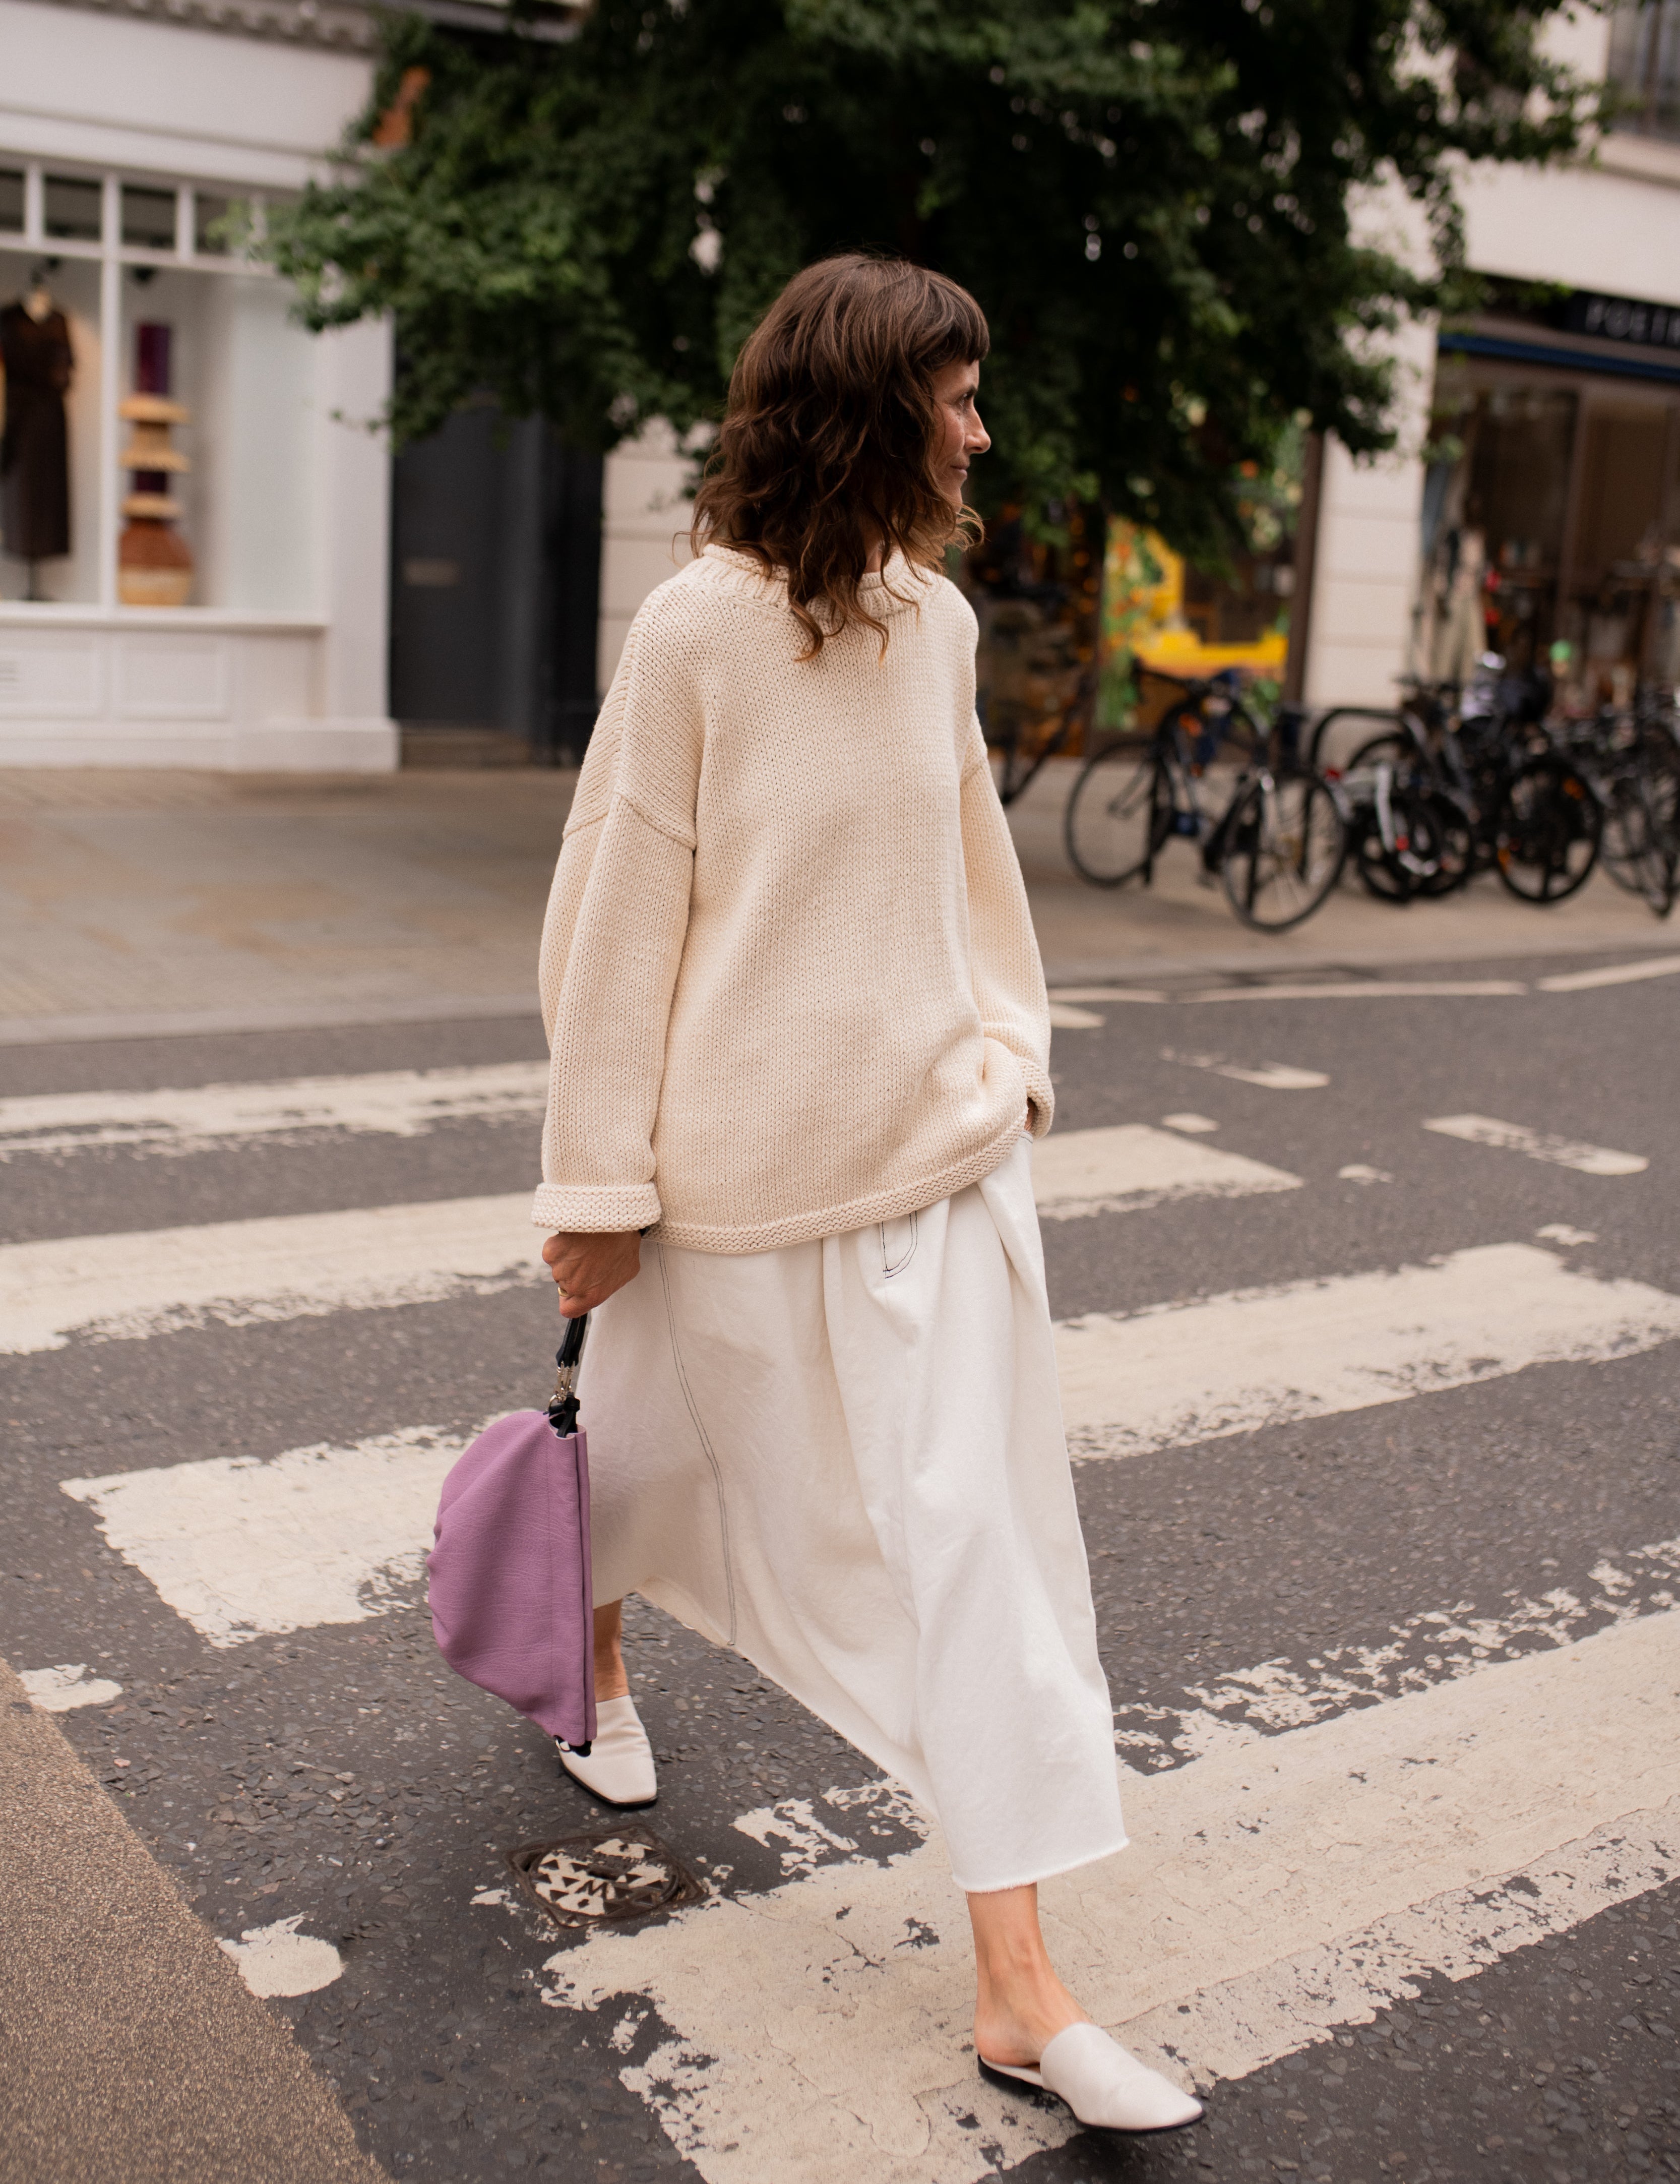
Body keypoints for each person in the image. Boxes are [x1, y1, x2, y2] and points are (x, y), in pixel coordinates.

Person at [531, 254, 1201, 2138]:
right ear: (862, 408)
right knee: (651, 1477)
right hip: (729, 1193)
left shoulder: (945, 625)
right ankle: (581, 1637)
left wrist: (1011, 1049)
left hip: (937, 1168)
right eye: (958, 396)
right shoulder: (693, 634)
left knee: (977, 1555)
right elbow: (614, 925)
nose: (984, 430)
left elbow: (973, 867)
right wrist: (595, 1185)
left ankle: (1020, 1985)